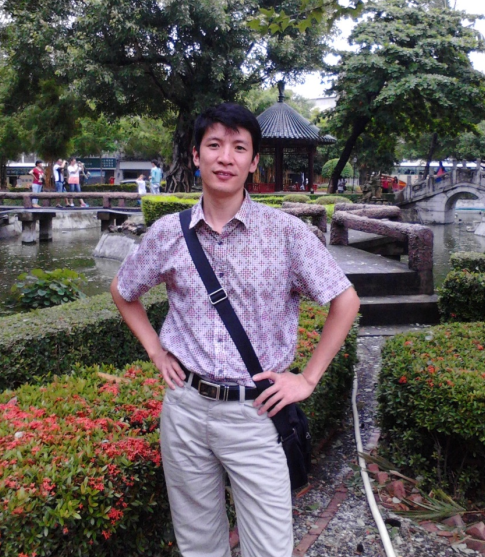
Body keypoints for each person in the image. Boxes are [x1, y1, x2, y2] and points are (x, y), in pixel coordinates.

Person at [110, 103, 360, 557]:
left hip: (256, 415)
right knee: (199, 546)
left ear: (254, 161)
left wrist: (307, 379)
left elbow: (345, 300)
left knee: (269, 548)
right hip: (186, 409)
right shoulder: (168, 233)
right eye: (214, 145)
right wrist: (155, 350)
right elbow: (123, 290)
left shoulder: (286, 233)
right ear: (195, 155)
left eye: (239, 148)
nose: (225, 157)